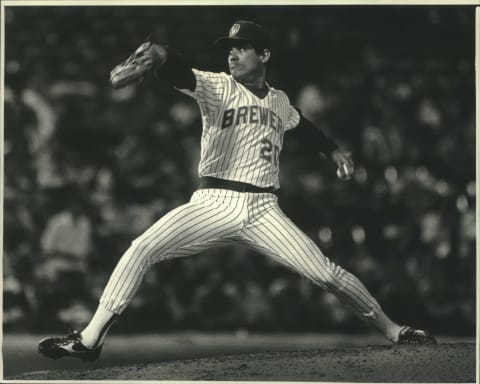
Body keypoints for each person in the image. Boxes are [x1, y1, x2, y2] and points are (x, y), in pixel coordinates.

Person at [38, 20, 436, 362]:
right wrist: (158, 54)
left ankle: (394, 331)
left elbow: (302, 127)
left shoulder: (279, 101)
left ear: (264, 54)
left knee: (326, 275)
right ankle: (89, 340)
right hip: (213, 201)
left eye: (241, 47)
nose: (231, 54)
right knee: (142, 247)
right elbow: (178, 69)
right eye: (228, 48)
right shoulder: (217, 86)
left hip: (264, 208)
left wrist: (333, 151)